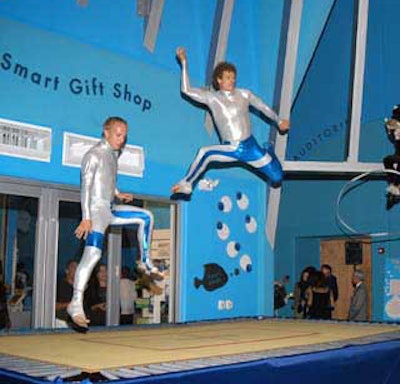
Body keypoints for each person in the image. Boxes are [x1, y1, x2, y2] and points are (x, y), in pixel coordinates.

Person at [67, 116, 154, 330]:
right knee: (94, 254)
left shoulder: (113, 156)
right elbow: (86, 187)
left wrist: (118, 193)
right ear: (106, 132)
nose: (121, 139)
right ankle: (75, 303)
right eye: (118, 134)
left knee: (146, 217)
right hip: (95, 212)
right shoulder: (93, 155)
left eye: (124, 135)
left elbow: (108, 180)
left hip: (109, 208)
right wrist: (86, 217)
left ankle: (144, 261)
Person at [172, 47, 290, 196]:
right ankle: (187, 183)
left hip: (251, 146)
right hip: (232, 148)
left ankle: (269, 151)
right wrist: (184, 62)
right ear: (219, 80)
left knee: (277, 177)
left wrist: (279, 121)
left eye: (233, 77)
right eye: (228, 77)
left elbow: (262, 107)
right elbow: (186, 90)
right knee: (205, 152)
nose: (232, 80)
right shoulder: (212, 98)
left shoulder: (244, 94)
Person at [383, 104, 400, 209]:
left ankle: (395, 186)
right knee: (388, 160)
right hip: (398, 154)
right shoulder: (393, 124)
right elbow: (392, 137)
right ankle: (393, 185)